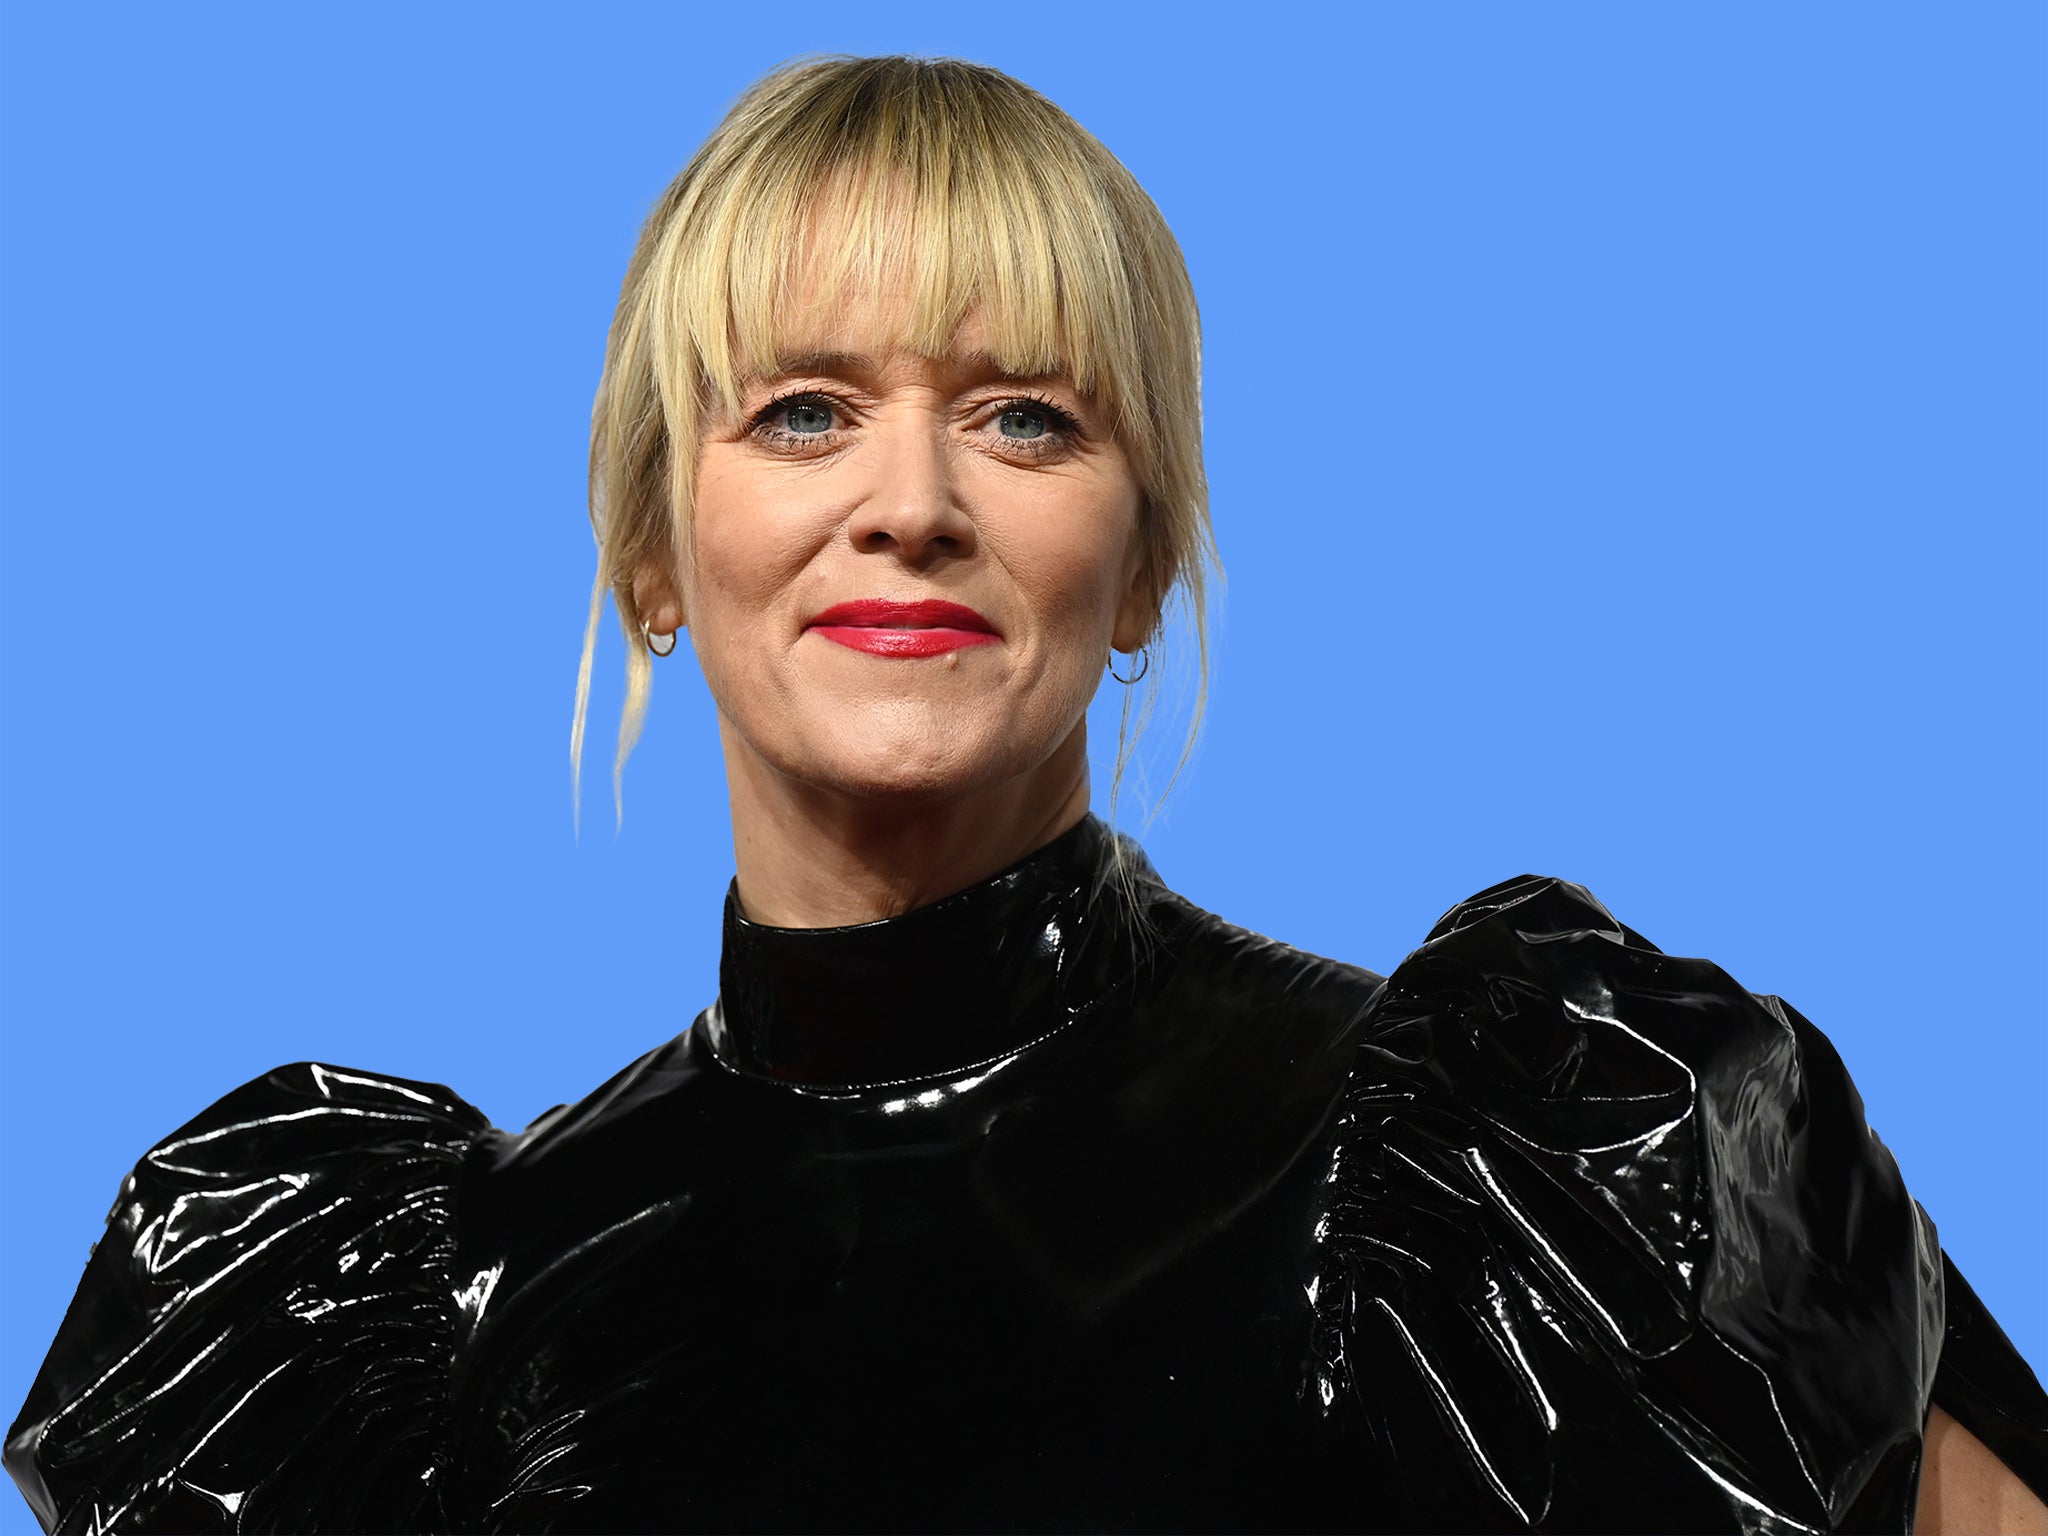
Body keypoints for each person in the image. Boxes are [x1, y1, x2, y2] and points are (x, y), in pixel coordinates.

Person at [7, 53, 2045, 1536]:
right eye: (802, 410)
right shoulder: (407, 1325)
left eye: (1024, 418)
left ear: (1142, 562)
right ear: (651, 555)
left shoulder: (1518, 1178)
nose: (909, 502)